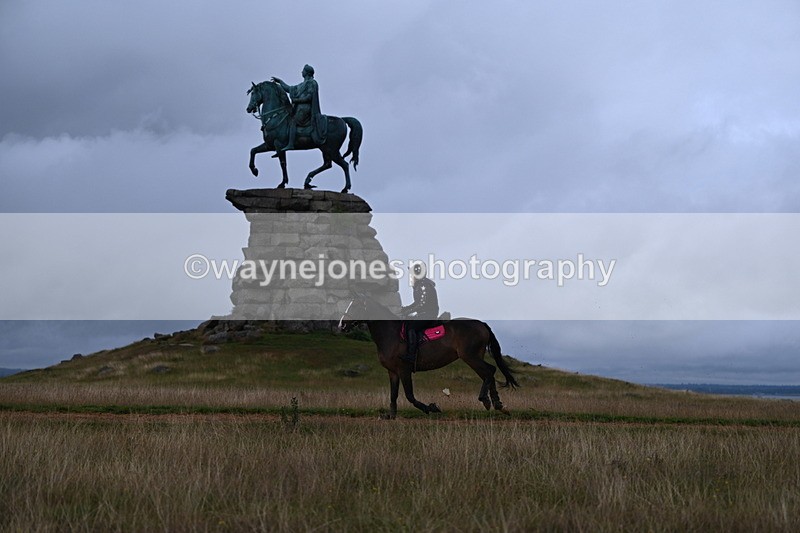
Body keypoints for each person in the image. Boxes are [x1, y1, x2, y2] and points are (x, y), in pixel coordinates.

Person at [270, 64, 327, 154]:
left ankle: (291, 144)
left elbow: (309, 97)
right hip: (299, 108)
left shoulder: (312, 83)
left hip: (305, 109)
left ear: (307, 72)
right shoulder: (301, 85)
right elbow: (289, 89)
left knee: (293, 121)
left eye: (303, 70)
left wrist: (297, 100)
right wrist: (280, 82)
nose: (301, 72)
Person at [400, 263, 439, 363]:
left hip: (428, 314)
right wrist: (405, 309)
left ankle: (412, 355)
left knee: (411, 328)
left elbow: (422, 304)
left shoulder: (423, 285)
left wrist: (408, 311)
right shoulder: (421, 284)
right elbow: (417, 303)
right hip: (425, 313)